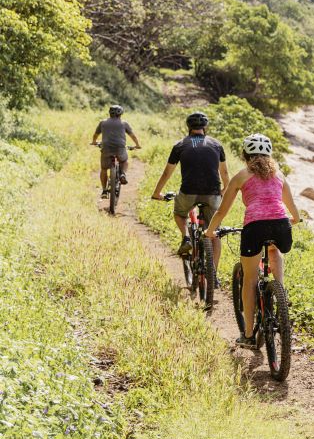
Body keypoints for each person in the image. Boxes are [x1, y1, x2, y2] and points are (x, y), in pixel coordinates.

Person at [205, 133, 299, 349]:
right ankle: (280, 293)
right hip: (281, 226)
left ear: (246, 155)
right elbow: (296, 213)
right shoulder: (279, 175)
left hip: (255, 227)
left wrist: (210, 232)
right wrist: (289, 221)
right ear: (269, 154)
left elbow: (221, 212)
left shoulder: (241, 176)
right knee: (275, 250)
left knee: (249, 279)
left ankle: (248, 334)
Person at [150, 112, 229, 270]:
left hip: (188, 192)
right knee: (214, 233)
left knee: (180, 214)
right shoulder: (216, 145)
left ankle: (186, 236)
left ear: (189, 127)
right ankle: (214, 272)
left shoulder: (180, 145)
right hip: (212, 193)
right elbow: (225, 174)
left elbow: (167, 173)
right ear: (205, 127)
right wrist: (224, 190)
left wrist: (157, 193)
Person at [91, 104, 141, 198]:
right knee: (124, 161)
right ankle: (122, 174)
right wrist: (137, 145)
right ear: (121, 114)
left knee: (104, 169)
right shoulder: (124, 123)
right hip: (120, 147)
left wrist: (94, 142)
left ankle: (104, 191)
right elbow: (133, 136)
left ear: (110, 113)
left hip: (106, 147)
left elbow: (95, 135)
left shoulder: (103, 123)